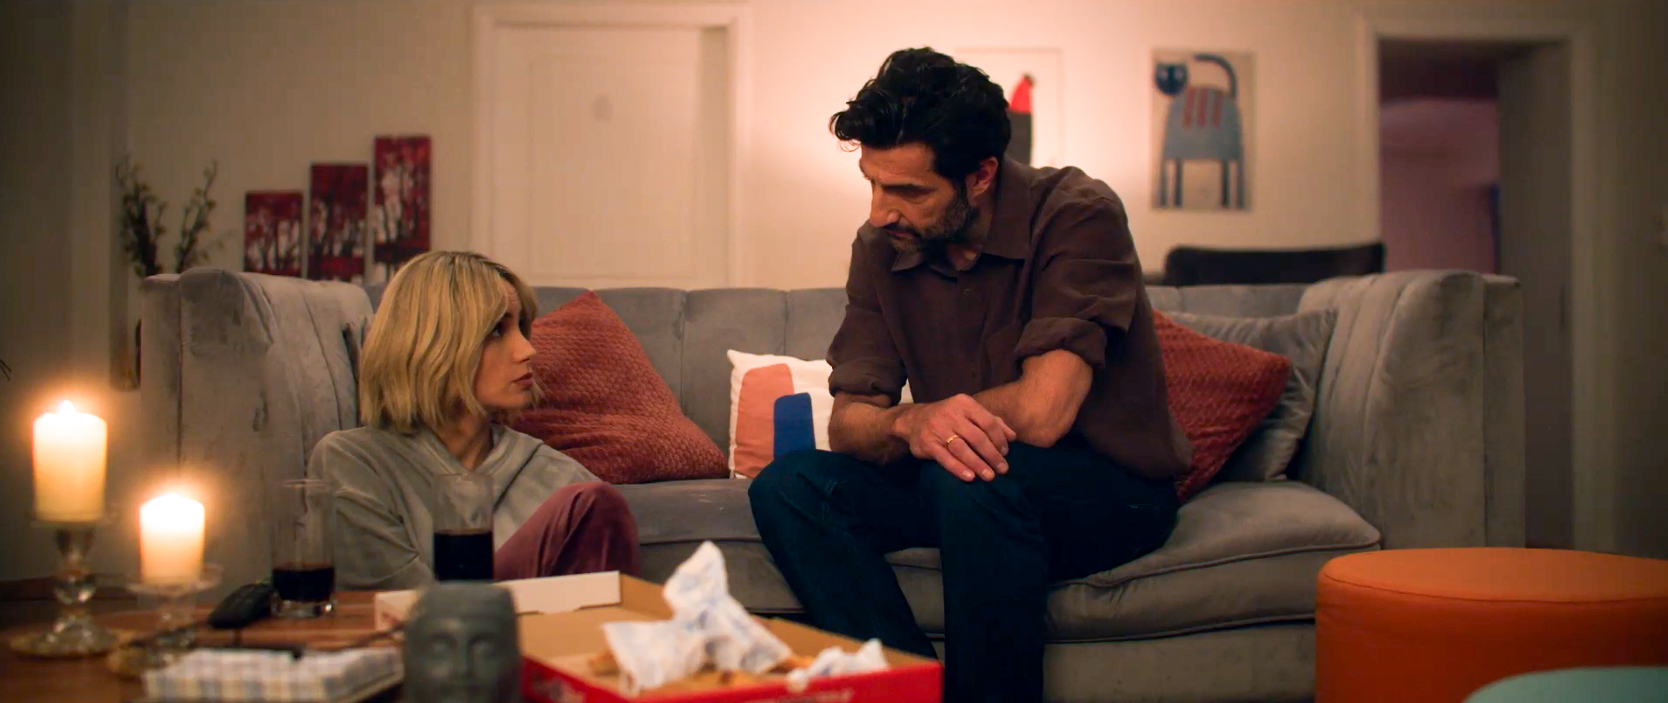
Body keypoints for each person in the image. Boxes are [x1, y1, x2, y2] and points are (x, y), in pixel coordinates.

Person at [748, 48, 1191, 703]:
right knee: (791, 486)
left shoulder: (1077, 213)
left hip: (1110, 490)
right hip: (962, 481)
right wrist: (911, 421)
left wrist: (934, 426)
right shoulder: (881, 246)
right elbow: (850, 423)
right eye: (873, 183)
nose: (879, 212)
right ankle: (901, 692)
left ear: (981, 175)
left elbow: (1043, 412)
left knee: (968, 476)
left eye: (908, 192)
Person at [310, 250, 640, 591]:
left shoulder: (562, 479)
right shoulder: (353, 463)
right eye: (497, 330)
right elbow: (394, 604)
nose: (527, 350)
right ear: (431, 344)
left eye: (521, 327)